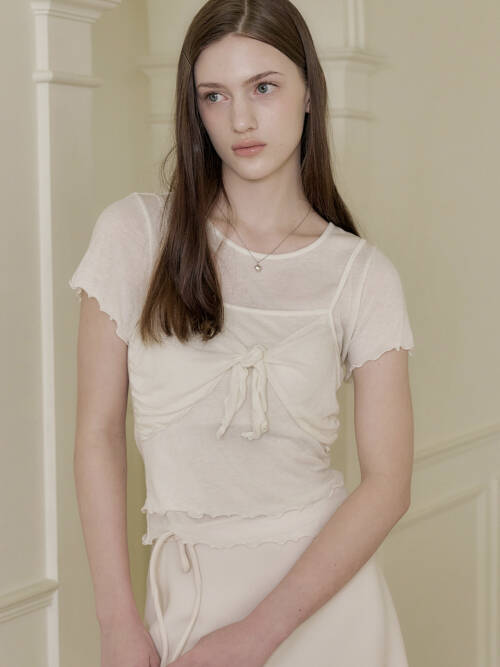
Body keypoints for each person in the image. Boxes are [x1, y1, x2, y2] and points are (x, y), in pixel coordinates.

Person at [68, 1, 416, 666]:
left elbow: (388, 485)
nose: (241, 120)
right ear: (194, 108)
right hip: (185, 603)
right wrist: (116, 622)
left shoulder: (362, 274)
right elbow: (97, 434)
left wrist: (256, 636)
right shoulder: (135, 234)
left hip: (328, 609)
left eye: (264, 87)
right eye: (215, 95)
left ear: (308, 90)